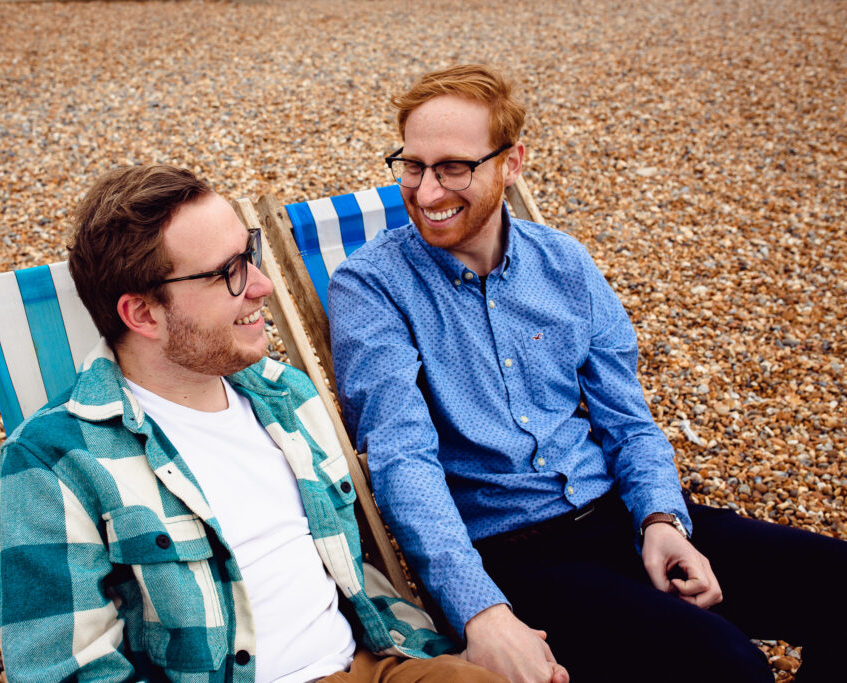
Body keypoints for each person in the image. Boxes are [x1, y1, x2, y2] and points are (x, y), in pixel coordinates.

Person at [328, 64, 847, 683]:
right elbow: (399, 458)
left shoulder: (564, 264)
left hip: (619, 515)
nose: (428, 192)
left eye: (454, 168)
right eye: (413, 166)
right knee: (728, 664)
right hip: (515, 557)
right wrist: (482, 611)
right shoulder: (371, 288)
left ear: (512, 163)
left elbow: (628, 420)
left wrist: (661, 519)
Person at [0, 164, 509, 683]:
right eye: (228, 272)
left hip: (371, 664)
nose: (262, 285)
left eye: (251, 252)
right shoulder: (52, 462)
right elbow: (65, 672)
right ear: (143, 314)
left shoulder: (285, 395)